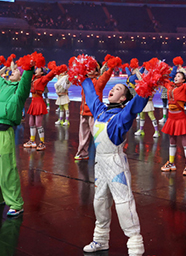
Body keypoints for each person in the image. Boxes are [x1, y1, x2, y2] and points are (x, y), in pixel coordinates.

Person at [80, 66, 148, 256]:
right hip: (100, 163)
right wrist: (83, 76)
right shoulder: (100, 111)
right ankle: (100, 239)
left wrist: (147, 86)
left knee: (123, 202)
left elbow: (137, 104)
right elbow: (91, 95)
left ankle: (135, 246)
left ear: (123, 98)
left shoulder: (122, 116)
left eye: (118, 89)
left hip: (115, 164)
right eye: (113, 87)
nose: (112, 89)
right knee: (99, 201)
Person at [0, 53, 37, 217]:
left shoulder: (20, 91)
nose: (13, 71)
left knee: (7, 167)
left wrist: (28, 69)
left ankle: (16, 203)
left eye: (16, 70)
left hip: (5, 131)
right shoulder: (3, 85)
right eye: (13, 69)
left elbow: (25, 80)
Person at [161, 61, 186, 176]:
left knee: (184, 140)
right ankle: (171, 163)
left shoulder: (185, 87)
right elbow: (163, 80)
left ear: (183, 80)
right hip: (171, 118)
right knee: (172, 139)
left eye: (179, 76)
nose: (176, 77)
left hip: (179, 117)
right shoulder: (170, 86)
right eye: (176, 76)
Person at [23, 64, 61, 150]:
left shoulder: (43, 79)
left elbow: (50, 75)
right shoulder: (33, 78)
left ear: (42, 72)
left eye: (38, 69)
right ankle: (32, 140)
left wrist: (55, 69)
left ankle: (42, 142)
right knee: (31, 123)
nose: (36, 70)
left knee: (38, 124)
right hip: (33, 102)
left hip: (39, 102)